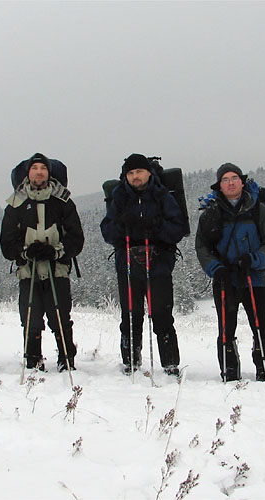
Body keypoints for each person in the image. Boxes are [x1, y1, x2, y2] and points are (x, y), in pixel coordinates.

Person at [100, 154, 187, 376]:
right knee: (130, 315)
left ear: (149, 172)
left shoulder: (162, 196)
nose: (135, 177)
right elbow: (108, 232)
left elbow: (178, 229)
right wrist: (122, 224)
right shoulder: (119, 197)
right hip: (128, 265)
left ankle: (170, 365)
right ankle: (130, 364)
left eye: (139, 171)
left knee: (162, 315)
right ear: (125, 176)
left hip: (158, 263)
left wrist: (155, 226)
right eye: (130, 173)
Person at [195, 163, 265, 384]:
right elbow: (202, 247)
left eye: (234, 178)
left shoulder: (257, 209)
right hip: (225, 279)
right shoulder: (211, 213)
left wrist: (254, 259)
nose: (230, 183)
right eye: (225, 179)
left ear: (242, 182)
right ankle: (230, 374)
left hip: (254, 277)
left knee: (260, 326)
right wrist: (216, 268)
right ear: (219, 185)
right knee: (226, 328)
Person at [0, 153, 84, 372]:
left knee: (60, 318)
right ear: (27, 173)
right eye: (35, 168)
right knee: (31, 317)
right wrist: (26, 253)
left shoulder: (63, 201)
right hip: (29, 271)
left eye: (43, 168)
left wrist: (56, 252)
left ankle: (67, 359)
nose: (39, 172)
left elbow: (76, 238)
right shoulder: (16, 203)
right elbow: (6, 243)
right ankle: (32, 360)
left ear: (49, 172)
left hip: (57, 270)